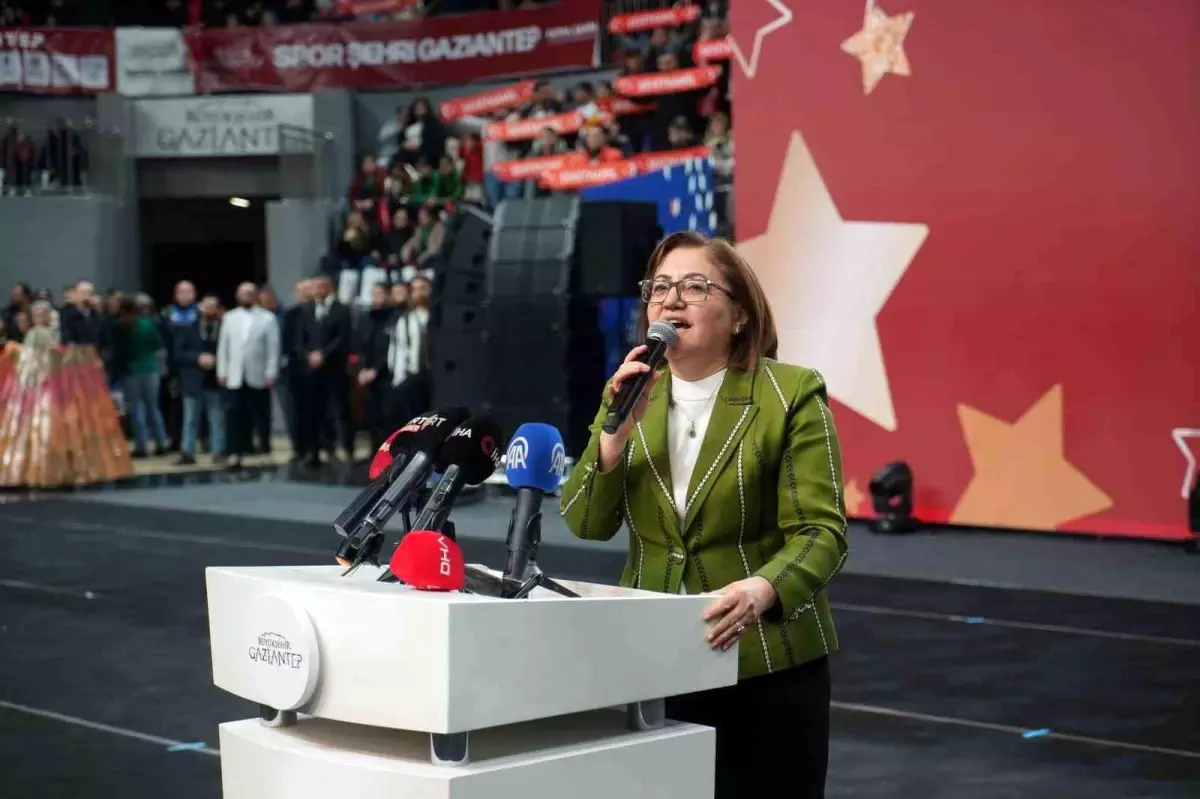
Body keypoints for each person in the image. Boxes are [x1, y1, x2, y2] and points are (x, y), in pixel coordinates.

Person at [559, 232, 848, 799]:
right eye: (659, 287)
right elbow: (585, 523)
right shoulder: (630, 392)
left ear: (739, 315)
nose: (670, 300)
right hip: (655, 660)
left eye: (694, 286)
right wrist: (613, 439)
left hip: (766, 660)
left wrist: (764, 588)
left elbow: (822, 532)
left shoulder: (789, 393)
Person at [217, 282, 280, 470]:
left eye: (249, 293)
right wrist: (222, 371)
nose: (246, 296)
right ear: (238, 296)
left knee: (261, 414)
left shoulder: (267, 318)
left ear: (255, 296)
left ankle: (264, 451)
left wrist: (271, 372)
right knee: (233, 415)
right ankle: (234, 453)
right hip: (235, 374)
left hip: (259, 373)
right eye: (242, 293)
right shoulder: (229, 317)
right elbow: (223, 347)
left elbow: (273, 348)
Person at [295, 274, 352, 466]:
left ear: (328, 287)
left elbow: (342, 337)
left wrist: (324, 355)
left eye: (318, 286)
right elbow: (299, 339)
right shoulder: (307, 310)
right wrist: (308, 355)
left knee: (338, 409)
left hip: (334, 368)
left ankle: (344, 447)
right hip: (311, 370)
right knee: (314, 411)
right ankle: (315, 450)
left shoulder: (341, 310)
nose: (314, 290)